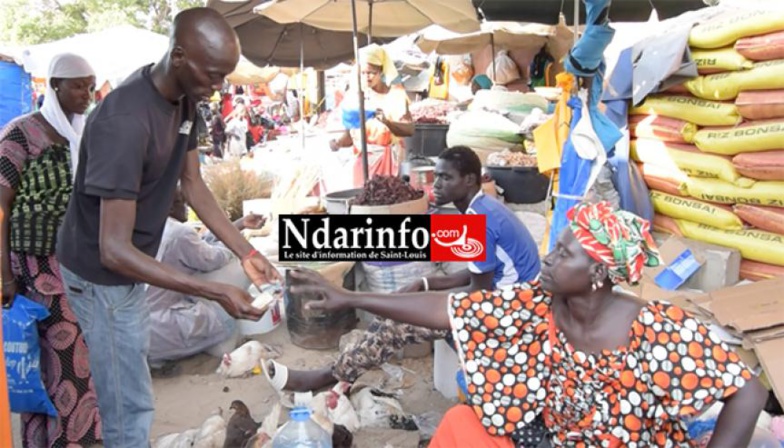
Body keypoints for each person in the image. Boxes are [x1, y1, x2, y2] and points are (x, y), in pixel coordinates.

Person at [288, 201, 767, 448]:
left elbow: (747, 391)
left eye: (564, 253)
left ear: (599, 273)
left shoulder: (656, 330)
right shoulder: (539, 303)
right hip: (553, 440)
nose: (549, 258)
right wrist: (351, 296)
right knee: (460, 422)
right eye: (554, 247)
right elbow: (448, 308)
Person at [55, 8, 280, 447]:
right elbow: (113, 250)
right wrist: (214, 291)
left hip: (126, 265)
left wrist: (246, 252)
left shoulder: (184, 97)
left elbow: (193, 184)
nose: (220, 87)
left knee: (132, 383)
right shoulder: (125, 122)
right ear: (178, 56)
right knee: (129, 403)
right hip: (100, 275)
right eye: (213, 75)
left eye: (224, 75)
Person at [264, 146, 541, 393]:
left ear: (469, 180)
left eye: (446, 178)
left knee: (397, 324)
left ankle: (327, 377)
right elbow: (480, 271)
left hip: (513, 313)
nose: (437, 185)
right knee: (396, 310)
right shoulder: (483, 208)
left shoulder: (480, 219)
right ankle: (340, 375)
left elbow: (476, 296)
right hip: (511, 298)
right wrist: (426, 283)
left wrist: (416, 299)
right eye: (436, 177)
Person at [0, 53, 103, 447]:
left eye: (90, 86)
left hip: (77, 266)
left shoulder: (82, 134)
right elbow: (1, 206)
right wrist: (5, 276)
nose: (86, 94)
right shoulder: (21, 134)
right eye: (77, 86)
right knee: (53, 363)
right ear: (55, 85)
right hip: (36, 271)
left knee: (78, 361)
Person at [147, 189, 266, 368]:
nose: (187, 207)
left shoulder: (149, 226)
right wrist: (237, 246)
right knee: (227, 319)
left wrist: (239, 224)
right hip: (160, 327)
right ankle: (167, 356)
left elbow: (200, 242)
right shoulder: (178, 233)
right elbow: (213, 258)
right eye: (182, 202)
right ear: (169, 207)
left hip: (135, 322)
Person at [330, 44, 414, 187]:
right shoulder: (355, 97)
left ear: (381, 71)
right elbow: (350, 135)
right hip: (363, 164)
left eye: (371, 73)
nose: (366, 77)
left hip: (390, 163)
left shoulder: (395, 95)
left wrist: (387, 122)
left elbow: (410, 130)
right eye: (362, 73)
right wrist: (338, 143)